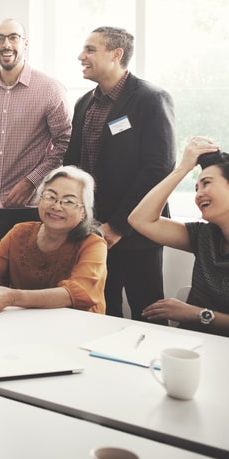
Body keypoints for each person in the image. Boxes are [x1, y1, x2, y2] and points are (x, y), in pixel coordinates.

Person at [64, 26, 176, 323]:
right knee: (98, 312)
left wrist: (117, 225)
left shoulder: (151, 99)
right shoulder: (83, 104)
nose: (80, 56)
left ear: (117, 54)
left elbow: (159, 169)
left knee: (148, 315)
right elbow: (73, 165)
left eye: (90, 50)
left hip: (137, 232)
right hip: (90, 232)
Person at [129, 140, 229, 347]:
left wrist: (198, 314)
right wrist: (183, 168)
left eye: (207, 183)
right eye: (196, 187)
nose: (198, 194)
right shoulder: (204, 236)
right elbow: (140, 220)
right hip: (192, 347)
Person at [0, 18, 72, 269]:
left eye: (13, 37)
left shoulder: (50, 89)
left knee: (25, 294)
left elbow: (65, 145)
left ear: (25, 43)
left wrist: (31, 181)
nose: (6, 44)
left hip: (29, 212)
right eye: (0, 38)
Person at [0, 166, 107, 314]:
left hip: (80, 328)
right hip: (28, 325)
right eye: (50, 196)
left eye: (68, 201)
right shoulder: (20, 232)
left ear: (84, 212)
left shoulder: (94, 244)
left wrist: (13, 297)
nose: (56, 206)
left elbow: (72, 294)